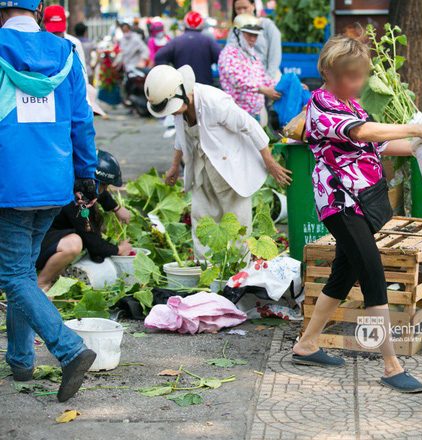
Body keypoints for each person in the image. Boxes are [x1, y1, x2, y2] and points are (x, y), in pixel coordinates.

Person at [292, 35, 422, 393]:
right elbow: (362, 132)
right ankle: (392, 365)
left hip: (361, 201)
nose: (356, 83)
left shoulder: (352, 103)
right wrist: (414, 127)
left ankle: (307, 344)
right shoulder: (322, 106)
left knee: (343, 275)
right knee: (373, 272)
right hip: (341, 205)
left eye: (360, 76)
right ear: (328, 72)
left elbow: (383, 143)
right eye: (349, 76)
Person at [0, 0, 98, 402]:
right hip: (53, 182)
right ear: (38, 12)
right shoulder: (65, 53)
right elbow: (81, 119)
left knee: (13, 275)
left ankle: (68, 349)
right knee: (22, 269)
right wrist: (86, 174)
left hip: (11, 182)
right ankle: (21, 361)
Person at [144, 65, 291, 256]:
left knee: (236, 221)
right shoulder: (180, 109)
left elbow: (250, 125)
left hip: (230, 166)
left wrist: (269, 162)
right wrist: (174, 166)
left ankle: (238, 272)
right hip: (201, 166)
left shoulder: (214, 102)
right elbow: (181, 137)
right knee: (202, 217)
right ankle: (206, 268)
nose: (171, 113)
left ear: (182, 94)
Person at [36, 151, 132, 291]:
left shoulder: (76, 180)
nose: (105, 190)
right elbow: (94, 245)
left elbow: (98, 190)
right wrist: (119, 249)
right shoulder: (76, 201)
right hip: (34, 245)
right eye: (104, 186)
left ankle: (54, 274)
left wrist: (116, 208)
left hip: (47, 235)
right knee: (74, 243)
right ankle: (41, 283)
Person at [218, 14, 281, 120]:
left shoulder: (252, 55)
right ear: (238, 33)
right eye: (249, 35)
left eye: (255, 36)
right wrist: (261, 89)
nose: (253, 39)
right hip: (237, 114)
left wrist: (286, 86)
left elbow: (263, 79)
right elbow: (236, 80)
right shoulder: (229, 53)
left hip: (254, 114)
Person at [154, 11, 222, 86]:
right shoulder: (208, 41)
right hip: (204, 87)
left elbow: (159, 57)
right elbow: (223, 58)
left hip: (182, 87)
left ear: (185, 24)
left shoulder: (176, 42)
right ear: (201, 25)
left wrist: (169, 76)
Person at [226, 0, 282, 80]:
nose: (242, 11)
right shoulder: (234, 30)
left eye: (245, 8)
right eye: (238, 9)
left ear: (253, 5)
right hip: (244, 81)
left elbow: (275, 56)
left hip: (268, 78)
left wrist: (268, 80)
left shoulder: (266, 25)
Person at [43, 5, 86, 73]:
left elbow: (83, 72)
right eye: (53, 32)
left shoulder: (74, 43)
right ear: (44, 24)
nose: (57, 36)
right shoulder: (41, 45)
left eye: (59, 31)